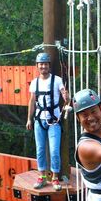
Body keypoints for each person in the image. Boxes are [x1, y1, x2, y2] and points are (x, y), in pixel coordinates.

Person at [26, 52, 68, 191]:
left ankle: (55, 177)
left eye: (45, 64)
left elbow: (63, 91)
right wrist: (29, 119)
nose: (43, 66)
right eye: (41, 64)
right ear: (37, 66)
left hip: (53, 120)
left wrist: (65, 95)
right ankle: (42, 176)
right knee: (40, 149)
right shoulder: (34, 82)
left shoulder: (56, 80)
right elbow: (32, 101)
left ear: (49, 66)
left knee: (54, 150)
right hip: (39, 120)